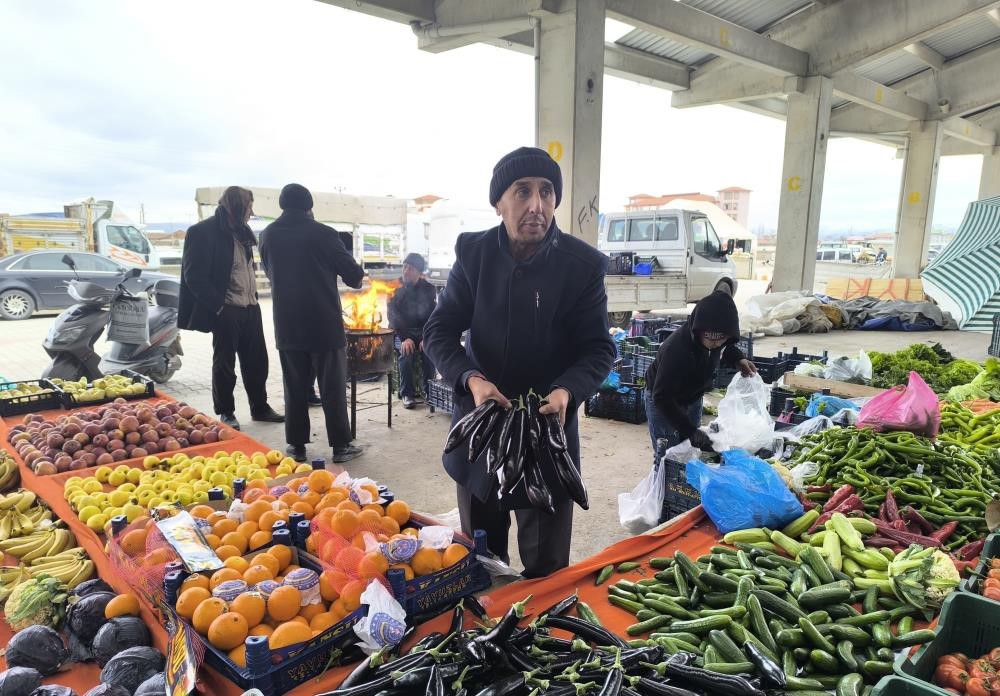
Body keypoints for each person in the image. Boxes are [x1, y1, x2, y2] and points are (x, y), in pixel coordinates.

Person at [423, 147, 616, 578]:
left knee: (546, 568)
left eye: (547, 192)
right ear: (499, 202)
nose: (537, 205)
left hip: (547, 433)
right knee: (482, 561)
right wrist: (470, 378)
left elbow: (599, 348)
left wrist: (568, 389)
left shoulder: (581, 267)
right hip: (482, 426)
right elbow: (438, 330)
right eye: (523, 191)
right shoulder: (474, 255)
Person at [259, 184, 366, 464]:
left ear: (282, 205)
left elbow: (270, 273)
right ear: (310, 207)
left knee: (294, 386)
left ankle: (296, 446)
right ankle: (341, 446)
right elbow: (354, 276)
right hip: (323, 325)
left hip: (287, 323)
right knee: (331, 386)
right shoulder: (324, 234)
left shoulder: (268, 235)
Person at [178, 186, 284, 430]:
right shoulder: (202, 232)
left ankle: (260, 407)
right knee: (225, 363)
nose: (251, 212)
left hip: (250, 307)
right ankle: (226, 411)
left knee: (257, 362)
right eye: (248, 207)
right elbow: (194, 276)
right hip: (226, 309)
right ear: (237, 207)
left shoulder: (243, 232)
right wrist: (218, 307)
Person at [644, 291, 756, 458]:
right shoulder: (676, 350)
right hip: (664, 401)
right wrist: (690, 431)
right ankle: (664, 482)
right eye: (711, 340)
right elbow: (661, 397)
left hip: (693, 396)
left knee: (690, 451)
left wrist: (738, 358)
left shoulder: (714, 336)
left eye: (721, 339)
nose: (716, 344)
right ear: (698, 332)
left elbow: (726, 347)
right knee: (669, 455)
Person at [388, 253, 437, 408]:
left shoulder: (429, 288)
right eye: (404, 267)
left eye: (410, 268)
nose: (405, 271)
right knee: (406, 353)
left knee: (429, 352)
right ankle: (407, 394)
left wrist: (425, 337)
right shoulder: (394, 287)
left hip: (422, 331)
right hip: (401, 332)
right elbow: (393, 315)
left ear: (419, 272)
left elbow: (432, 315)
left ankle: (429, 392)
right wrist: (405, 338)